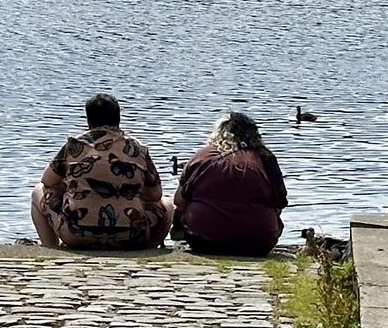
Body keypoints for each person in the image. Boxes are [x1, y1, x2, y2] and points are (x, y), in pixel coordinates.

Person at [31, 92, 170, 251]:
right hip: (131, 236)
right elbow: (155, 194)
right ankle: (147, 250)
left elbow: (47, 181)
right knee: (168, 205)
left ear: (89, 121)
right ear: (118, 120)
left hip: (75, 233)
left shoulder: (75, 146)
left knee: (37, 192)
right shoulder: (137, 149)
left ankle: (50, 247)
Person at [171, 112, 289, 256]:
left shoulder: (203, 155)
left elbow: (179, 201)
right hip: (258, 244)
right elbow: (280, 202)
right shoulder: (266, 159)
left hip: (203, 240)